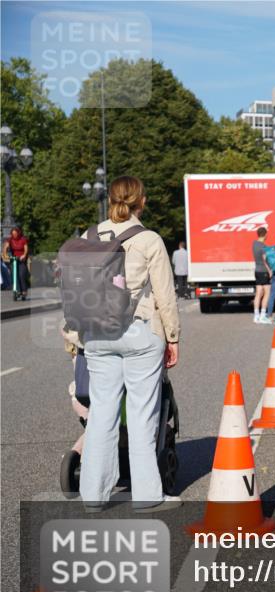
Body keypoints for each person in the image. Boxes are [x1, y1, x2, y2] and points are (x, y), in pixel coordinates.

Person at [76, 176, 181, 512]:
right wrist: (173, 337)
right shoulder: (149, 239)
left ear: (110, 199)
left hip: (96, 333)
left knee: (101, 413)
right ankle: (148, 496)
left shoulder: (88, 237)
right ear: (142, 201)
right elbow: (165, 294)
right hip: (139, 331)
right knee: (141, 415)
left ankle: (92, 495)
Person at [2, 226, 30, 301]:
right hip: (14, 259)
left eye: (15, 234)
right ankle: (16, 290)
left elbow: (26, 249)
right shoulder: (10, 240)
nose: (14, 235)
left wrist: (24, 255)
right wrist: (5, 255)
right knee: (14, 275)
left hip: (21, 259)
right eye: (13, 234)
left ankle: (24, 291)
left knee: (21, 275)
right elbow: (5, 247)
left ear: (18, 233)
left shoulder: (23, 239)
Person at [251, 227, 270, 324]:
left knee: (258, 293)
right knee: (267, 293)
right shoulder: (263, 246)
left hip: (257, 271)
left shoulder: (254, 244)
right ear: (265, 234)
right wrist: (270, 271)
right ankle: (263, 315)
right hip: (264, 271)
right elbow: (265, 260)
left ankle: (256, 316)